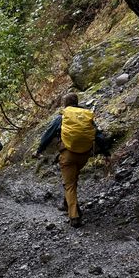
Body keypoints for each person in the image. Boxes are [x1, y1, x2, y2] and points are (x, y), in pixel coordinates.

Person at [33, 93, 109, 227]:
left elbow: (47, 135)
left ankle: (74, 216)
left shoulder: (62, 117)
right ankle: (65, 203)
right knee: (72, 180)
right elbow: (98, 135)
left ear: (65, 104)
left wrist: (39, 150)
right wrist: (106, 153)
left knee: (69, 185)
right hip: (84, 155)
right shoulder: (86, 116)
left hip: (68, 155)